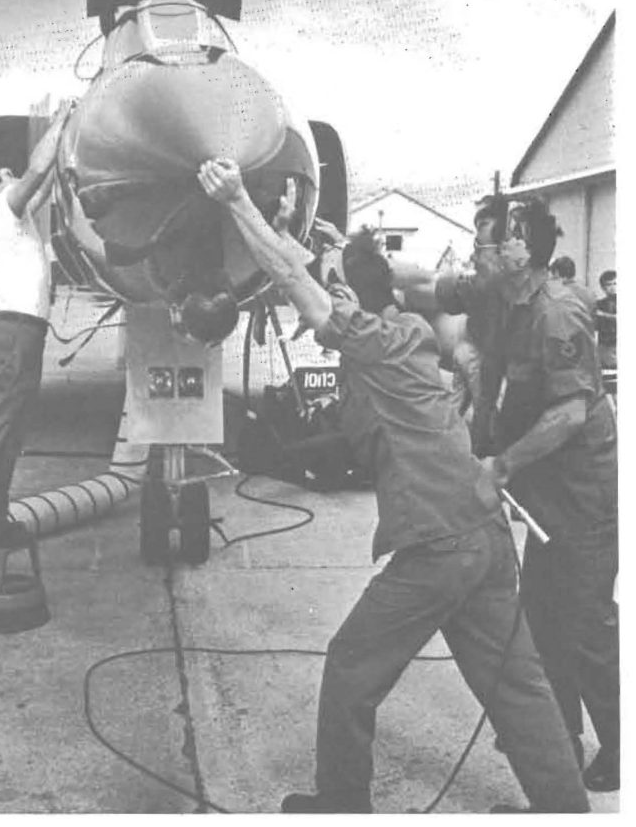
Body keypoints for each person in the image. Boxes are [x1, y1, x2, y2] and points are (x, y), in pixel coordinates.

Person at [197, 158, 589, 814]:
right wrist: (291, 225)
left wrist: (236, 201)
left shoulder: (369, 338)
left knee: (351, 665)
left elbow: (294, 278)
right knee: (516, 682)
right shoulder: (401, 330)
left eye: (334, 287)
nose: (323, 296)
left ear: (348, 296)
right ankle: (563, 809)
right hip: (481, 539)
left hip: (438, 545)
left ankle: (343, 802)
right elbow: (313, 267)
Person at [404, 196, 619, 794]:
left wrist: (501, 464)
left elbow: (571, 413)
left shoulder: (558, 313)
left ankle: (621, 747)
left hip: (580, 494)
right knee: (546, 622)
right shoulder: (500, 298)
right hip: (543, 490)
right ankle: (562, 750)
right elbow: (432, 292)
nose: (476, 253)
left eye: (485, 243)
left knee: (587, 627)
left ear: (519, 251)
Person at [0, 101, 72, 550]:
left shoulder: (13, 220)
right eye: (2, 174)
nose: (10, 173)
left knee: (0, 426)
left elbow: (44, 182)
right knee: (2, 427)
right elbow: (36, 172)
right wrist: (63, 120)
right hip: (15, 335)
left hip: (16, 334)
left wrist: (67, 149)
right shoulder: (2, 210)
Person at [595, 269, 617, 371]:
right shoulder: (599, 304)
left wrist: (603, 315)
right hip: (605, 348)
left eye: (615, 283)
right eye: (609, 285)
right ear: (603, 288)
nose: (613, 287)